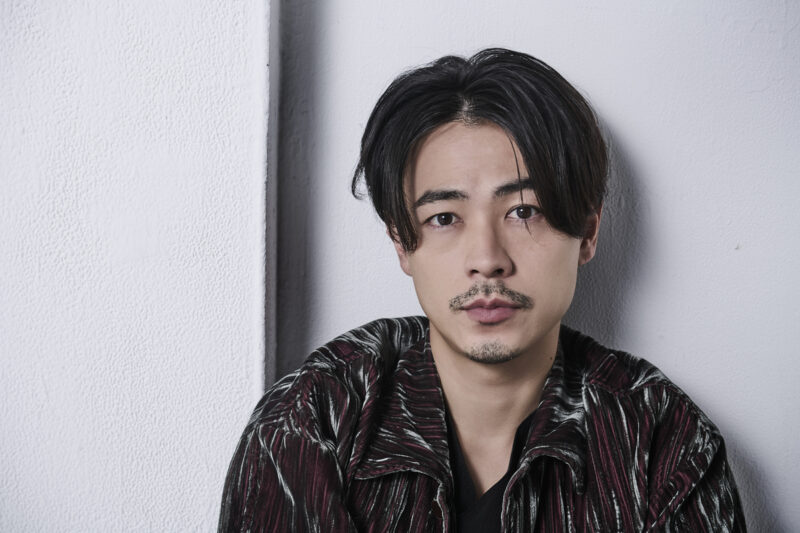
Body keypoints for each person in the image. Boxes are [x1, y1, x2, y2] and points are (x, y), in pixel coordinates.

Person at [218, 48, 745, 532]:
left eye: (524, 211)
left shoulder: (659, 440)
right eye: (445, 217)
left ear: (587, 232)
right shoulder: (316, 418)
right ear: (402, 243)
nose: (488, 259)